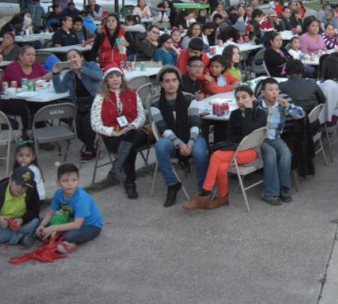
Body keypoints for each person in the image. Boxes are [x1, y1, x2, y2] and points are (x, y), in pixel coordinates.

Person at [185, 85, 265, 210]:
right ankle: (223, 198)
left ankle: (204, 194)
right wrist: (237, 142)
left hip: (251, 152)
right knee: (221, 167)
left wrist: (249, 111)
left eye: (244, 97)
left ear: (252, 97)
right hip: (235, 149)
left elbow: (247, 133)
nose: (241, 101)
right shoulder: (234, 114)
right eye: (238, 98)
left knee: (216, 156)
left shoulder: (260, 114)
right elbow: (230, 137)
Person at [151, 66, 209, 207]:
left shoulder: (190, 98)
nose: (171, 84)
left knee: (200, 152)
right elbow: (163, 129)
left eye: (174, 80)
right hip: (172, 141)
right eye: (167, 81)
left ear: (178, 81)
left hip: (192, 136)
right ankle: (172, 184)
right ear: (161, 84)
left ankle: (204, 190)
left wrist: (189, 142)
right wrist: (179, 144)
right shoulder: (155, 104)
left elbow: (195, 123)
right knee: (160, 145)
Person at [91, 67, 147, 199]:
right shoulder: (100, 97)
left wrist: (132, 125)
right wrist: (113, 132)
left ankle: (117, 169)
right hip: (113, 136)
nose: (115, 79)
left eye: (117, 76)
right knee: (129, 147)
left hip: (134, 130)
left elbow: (142, 116)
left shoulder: (132, 93)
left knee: (131, 135)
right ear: (106, 80)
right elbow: (95, 123)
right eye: (111, 77)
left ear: (122, 77)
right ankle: (129, 182)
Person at [35, 163, 104, 248]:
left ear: (78, 180)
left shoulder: (81, 198)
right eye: (65, 181)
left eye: (74, 180)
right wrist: (42, 225)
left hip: (90, 226)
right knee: (39, 222)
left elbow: (77, 225)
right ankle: (54, 237)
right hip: (71, 220)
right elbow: (51, 213)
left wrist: (53, 228)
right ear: (58, 182)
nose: (70, 184)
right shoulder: (58, 193)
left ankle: (68, 244)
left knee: (68, 236)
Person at [255, 77, 299, 206]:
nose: (274, 93)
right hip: (259, 140)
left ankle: (284, 187)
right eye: (270, 90)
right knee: (270, 155)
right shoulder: (256, 104)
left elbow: (301, 114)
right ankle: (270, 192)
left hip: (275, 137)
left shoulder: (281, 105)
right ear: (263, 92)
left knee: (286, 153)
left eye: (276, 90)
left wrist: (288, 106)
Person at [279, 59, 326, 178]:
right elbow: (323, 100)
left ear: (287, 72)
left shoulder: (281, 86)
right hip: (312, 124)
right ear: (302, 71)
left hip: (291, 128)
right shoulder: (312, 83)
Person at [0, 167, 41, 247]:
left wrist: (22, 220)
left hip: (20, 223)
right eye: (17, 184)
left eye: (24, 186)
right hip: (1, 223)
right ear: (10, 180)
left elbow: (34, 211)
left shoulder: (32, 190)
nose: (19, 189)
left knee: (35, 223)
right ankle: (19, 238)